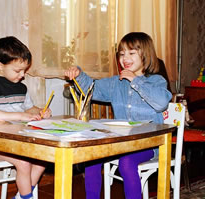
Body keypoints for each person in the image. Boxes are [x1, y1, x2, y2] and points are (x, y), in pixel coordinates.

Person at [64, 32, 172, 199]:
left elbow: (161, 103)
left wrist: (136, 81)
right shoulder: (116, 82)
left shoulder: (156, 81)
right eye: (121, 54)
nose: (125, 58)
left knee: (127, 162)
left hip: (150, 145)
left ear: (146, 54)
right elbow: (92, 89)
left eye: (131, 53)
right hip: (120, 144)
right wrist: (79, 74)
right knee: (91, 157)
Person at [0, 36, 52, 199]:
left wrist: (40, 111)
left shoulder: (21, 88)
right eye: (17, 70)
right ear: (0, 65)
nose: (22, 75)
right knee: (24, 162)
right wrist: (21, 116)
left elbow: (29, 108)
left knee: (42, 161)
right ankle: (27, 197)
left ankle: (22, 196)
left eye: (25, 70)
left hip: (20, 141)